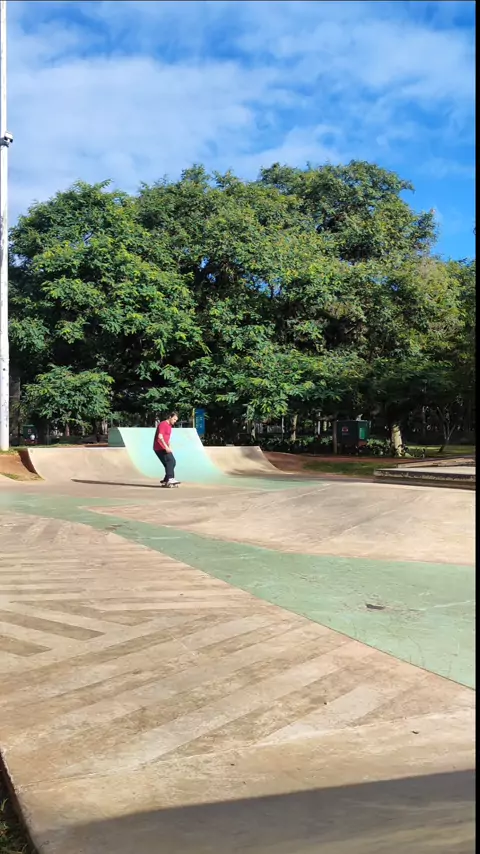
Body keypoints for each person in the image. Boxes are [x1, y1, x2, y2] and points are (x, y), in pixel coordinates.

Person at [153, 412, 179, 485]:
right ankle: (170, 479)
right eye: (174, 419)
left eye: (176, 420)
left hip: (164, 447)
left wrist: (169, 447)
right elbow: (160, 436)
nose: (175, 421)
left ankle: (166, 480)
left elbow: (168, 439)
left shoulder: (169, 426)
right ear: (170, 417)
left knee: (171, 463)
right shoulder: (163, 424)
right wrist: (166, 447)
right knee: (171, 461)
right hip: (159, 447)